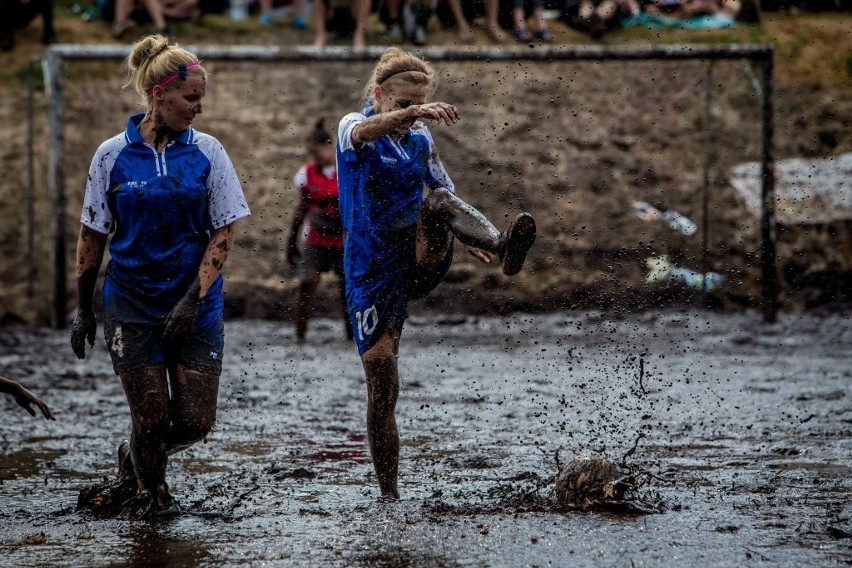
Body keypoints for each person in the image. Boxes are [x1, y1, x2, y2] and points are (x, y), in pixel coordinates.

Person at [336, 47, 536, 499]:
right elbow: (367, 130)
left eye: (418, 105)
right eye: (403, 105)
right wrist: (414, 112)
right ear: (379, 94)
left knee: (439, 203)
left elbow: (444, 189)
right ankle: (390, 495)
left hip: (420, 254)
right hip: (369, 270)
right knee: (382, 384)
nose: (411, 114)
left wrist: (472, 235)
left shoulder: (422, 139)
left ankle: (502, 246)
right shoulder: (353, 126)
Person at [71, 35, 250, 517]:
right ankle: (152, 499)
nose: (199, 106)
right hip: (131, 302)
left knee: (193, 422)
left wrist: (193, 299)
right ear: (157, 94)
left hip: (196, 300)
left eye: (201, 97)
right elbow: (92, 237)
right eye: (190, 97)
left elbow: (224, 234)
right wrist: (83, 310)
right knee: (150, 418)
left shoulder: (209, 153)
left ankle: (133, 460)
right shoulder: (111, 155)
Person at [287, 118, 351, 343]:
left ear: (328, 145)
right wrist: (291, 240)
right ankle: (300, 336)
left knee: (348, 287)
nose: (315, 158)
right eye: (311, 154)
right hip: (316, 237)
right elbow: (301, 207)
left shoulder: (347, 170)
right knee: (307, 283)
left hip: (343, 238)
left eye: (317, 152)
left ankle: (352, 336)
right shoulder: (307, 174)